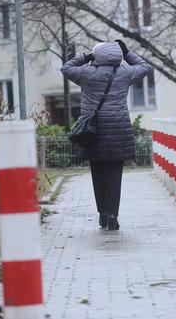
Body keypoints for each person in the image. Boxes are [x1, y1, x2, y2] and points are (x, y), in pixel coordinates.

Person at [61, 40, 152, 231]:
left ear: (98, 56)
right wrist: (127, 53)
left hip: (94, 132)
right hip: (118, 130)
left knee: (98, 174)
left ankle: (102, 213)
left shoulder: (86, 74)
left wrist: (86, 57)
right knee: (114, 175)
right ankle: (113, 216)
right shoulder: (125, 73)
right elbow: (144, 67)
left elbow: (67, 68)